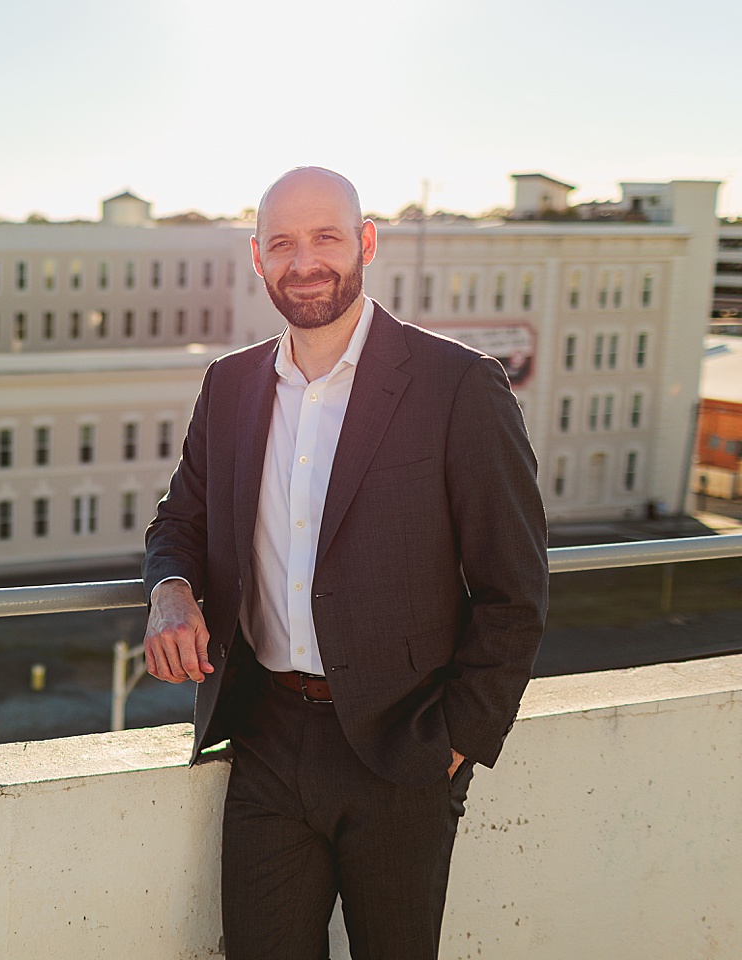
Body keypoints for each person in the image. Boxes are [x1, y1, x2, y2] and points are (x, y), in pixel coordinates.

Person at [142, 166, 548, 959]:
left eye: (326, 237)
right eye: (282, 244)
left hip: (405, 748)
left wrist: (455, 742)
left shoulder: (459, 385)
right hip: (265, 737)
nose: (305, 262)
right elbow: (179, 519)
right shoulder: (228, 387)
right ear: (257, 258)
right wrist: (170, 592)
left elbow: (516, 589)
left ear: (365, 242)